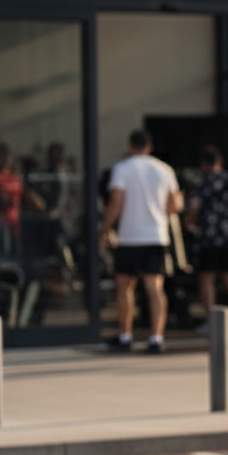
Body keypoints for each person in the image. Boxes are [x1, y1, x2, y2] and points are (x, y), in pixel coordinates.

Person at [99, 129, 183, 354]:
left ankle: (126, 335)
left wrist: (105, 229)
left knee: (124, 286)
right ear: (149, 147)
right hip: (156, 235)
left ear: (129, 146)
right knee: (154, 287)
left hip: (129, 236)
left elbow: (115, 202)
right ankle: (156, 338)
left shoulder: (122, 169)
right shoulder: (164, 170)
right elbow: (174, 206)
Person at [187, 145, 228, 332]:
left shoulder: (201, 182)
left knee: (206, 278)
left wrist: (190, 222)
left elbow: (194, 207)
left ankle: (212, 322)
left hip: (208, 236)